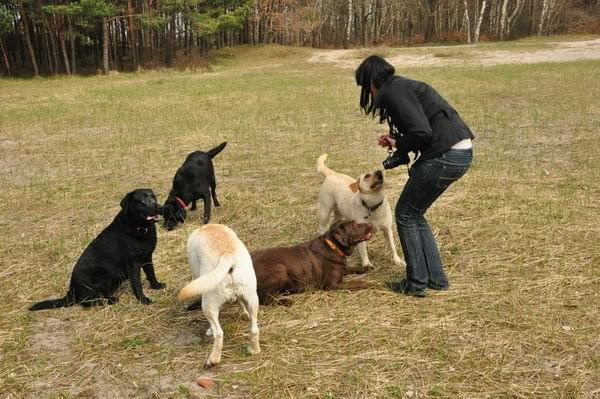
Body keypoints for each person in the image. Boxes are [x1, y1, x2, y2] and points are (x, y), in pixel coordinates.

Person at [355, 55, 474, 297]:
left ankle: (417, 283)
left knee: (406, 214)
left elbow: (422, 133)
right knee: (415, 214)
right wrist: (397, 142)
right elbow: (422, 130)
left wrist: (400, 142)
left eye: (364, 86)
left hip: (445, 154)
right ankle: (436, 280)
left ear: (371, 80)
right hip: (460, 151)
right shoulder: (401, 86)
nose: (367, 92)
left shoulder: (395, 92)